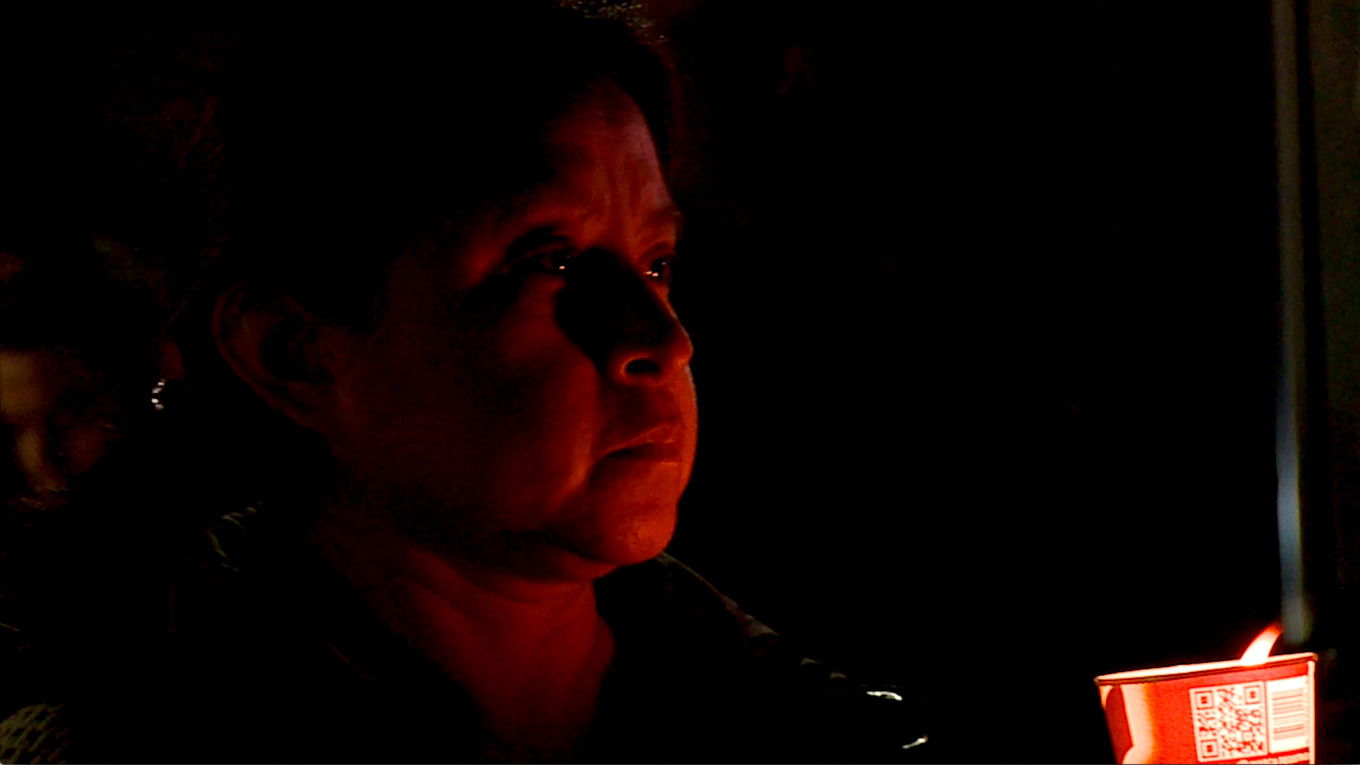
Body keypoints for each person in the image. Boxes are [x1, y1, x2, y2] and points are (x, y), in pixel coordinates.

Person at [0, 4, 927, 762]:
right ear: (295, 353)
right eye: (550, 259)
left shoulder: (806, 728)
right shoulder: (130, 736)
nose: (664, 339)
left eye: (656, 264)